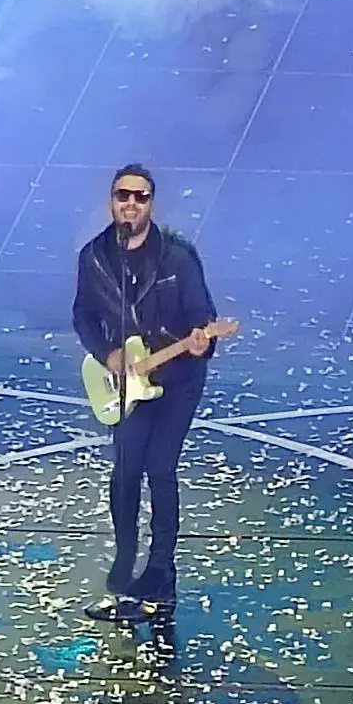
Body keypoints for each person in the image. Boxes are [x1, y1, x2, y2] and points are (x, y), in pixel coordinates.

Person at [72, 164, 217, 622]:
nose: (131, 204)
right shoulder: (95, 258)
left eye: (140, 197)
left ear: (151, 204)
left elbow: (203, 315)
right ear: (111, 202)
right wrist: (107, 354)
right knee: (126, 471)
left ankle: (160, 575)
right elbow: (82, 316)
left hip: (177, 381)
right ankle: (124, 566)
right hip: (128, 384)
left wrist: (201, 340)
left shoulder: (176, 258)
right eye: (123, 196)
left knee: (160, 469)